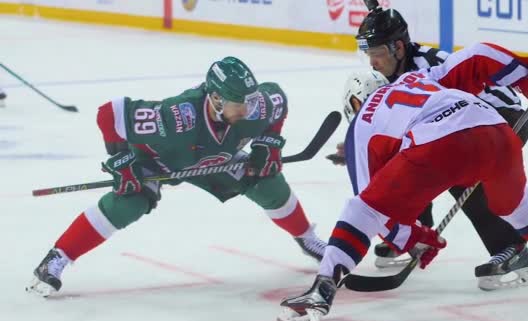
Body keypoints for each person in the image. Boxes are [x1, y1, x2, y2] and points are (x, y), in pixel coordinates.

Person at [277, 42, 528, 321]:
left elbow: (373, 211)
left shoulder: (360, 126)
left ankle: (322, 290)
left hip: (440, 146)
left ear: (353, 103)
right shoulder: (417, 78)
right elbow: (477, 56)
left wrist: (414, 238)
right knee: (515, 204)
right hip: (496, 129)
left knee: (362, 209)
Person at [26, 56, 327, 297]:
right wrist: (122, 161)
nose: (248, 110)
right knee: (127, 204)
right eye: (239, 104)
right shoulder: (177, 117)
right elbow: (110, 113)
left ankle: (307, 238)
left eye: (249, 102)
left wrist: (268, 143)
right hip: (160, 160)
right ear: (217, 100)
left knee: (268, 183)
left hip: (216, 159)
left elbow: (277, 100)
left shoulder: (254, 105)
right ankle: (56, 258)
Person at [327, 6, 528, 291]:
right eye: (369, 55)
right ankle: (415, 232)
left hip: (505, 118)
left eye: (376, 54)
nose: (372, 63)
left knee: (452, 169)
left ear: (398, 47)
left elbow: (463, 114)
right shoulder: (393, 73)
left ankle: (513, 249)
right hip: (468, 127)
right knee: (413, 159)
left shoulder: (429, 63)